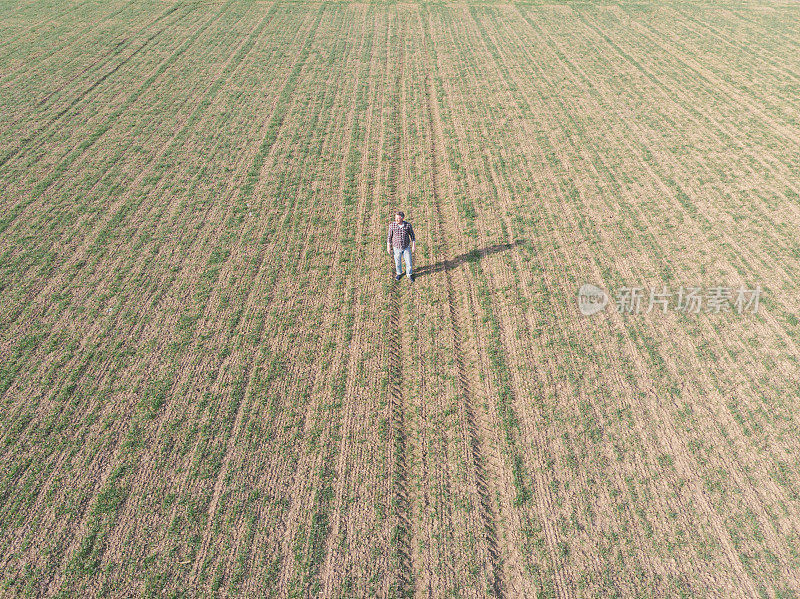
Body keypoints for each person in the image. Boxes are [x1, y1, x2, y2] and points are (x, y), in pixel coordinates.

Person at [386, 211, 415, 282]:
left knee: (409, 262)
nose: (396, 220)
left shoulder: (408, 225)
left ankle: (409, 274)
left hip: (406, 247)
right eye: (395, 218)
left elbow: (412, 236)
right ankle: (399, 273)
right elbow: (389, 237)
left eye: (398, 219)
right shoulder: (392, 225)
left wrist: (413, 246)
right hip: (396, 248)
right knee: (398, 262)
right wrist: (388, 247)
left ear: (402, 218)